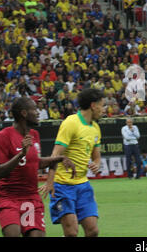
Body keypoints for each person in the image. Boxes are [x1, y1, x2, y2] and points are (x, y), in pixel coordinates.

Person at [0, 97, 75, 237]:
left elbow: (34, 162)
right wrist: (21, 154)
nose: (38, 113)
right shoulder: (3, 136)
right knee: (12, 234)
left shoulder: (34, 135)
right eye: (35, 109)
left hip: (31, 197)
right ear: (24, 113)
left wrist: (59, 158)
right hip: (9, 197)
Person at [40, 88, 104, 237]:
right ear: (93, 105)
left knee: (93, 231)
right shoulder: (71, 123)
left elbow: (97, 157)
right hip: (62, 185)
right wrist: (50, 182)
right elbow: (55, 154)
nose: (104, 109)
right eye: (102, 105)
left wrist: (97, 164)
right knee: (71, 233)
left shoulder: (95, 128)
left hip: (82, 185)